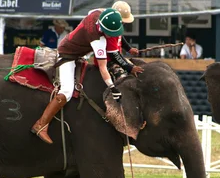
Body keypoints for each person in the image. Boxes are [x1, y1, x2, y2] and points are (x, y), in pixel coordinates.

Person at [30, 8, 144, 144]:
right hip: (67, 56)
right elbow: (102, 67)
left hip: (80, 53)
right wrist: (112, 87)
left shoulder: (97, 13)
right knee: (66, 91)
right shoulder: (98, 41)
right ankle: (41, 124)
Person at [95, 0, 140, 79]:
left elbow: (120, 38)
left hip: (117, 57)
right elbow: (114, 55)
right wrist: (129, 68)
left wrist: (129, 49)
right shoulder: (110, 30)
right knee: (123, 78)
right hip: (108, 61)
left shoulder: (116, 26)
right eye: (122, 21)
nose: (123, 23)